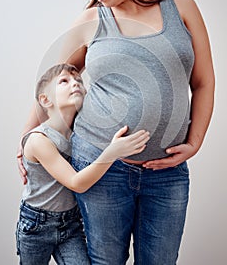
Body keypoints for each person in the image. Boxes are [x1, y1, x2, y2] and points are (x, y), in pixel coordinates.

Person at [17, 0, 215, 265]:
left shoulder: (180, 6)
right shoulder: (91, 19)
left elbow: (204, 81)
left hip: (167, 170)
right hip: (101, 165)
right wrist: (25, 140)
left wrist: (195, 143)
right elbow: (49, 84)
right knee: (106, 261)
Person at [16, 63, 150, 265]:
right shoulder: (38, 140)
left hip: (70, 224)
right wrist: (112, 152)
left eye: (79, 80)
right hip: (37, 226)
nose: (75, 83)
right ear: (45, 99)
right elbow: (77, 183)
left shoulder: (80, 136)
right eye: (64, 81)